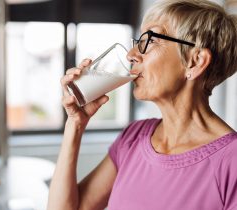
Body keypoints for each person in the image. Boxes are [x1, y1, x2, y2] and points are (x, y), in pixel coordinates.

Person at [47, 0, 237, 209]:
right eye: (138, 40)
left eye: (150, 41)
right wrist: (74, 124)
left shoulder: (231, 162)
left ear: (195, 61)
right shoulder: (134, 137)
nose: (131, 55)